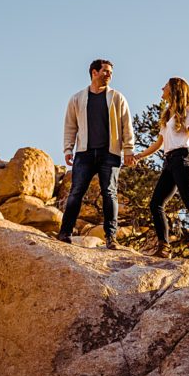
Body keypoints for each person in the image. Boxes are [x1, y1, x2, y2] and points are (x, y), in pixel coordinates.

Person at [126, 77, 189, 259]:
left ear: (173, 89)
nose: (162, 88)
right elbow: (159, 143)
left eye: (165, 86)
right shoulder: (168, 114)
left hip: (183, 158)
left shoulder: (187, 111)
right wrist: (139, 156)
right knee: (156, 203)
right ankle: (164, 247)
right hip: (169, 162)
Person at [57, 59, 135, 249]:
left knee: (110, 193)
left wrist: (129, 150)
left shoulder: (117, 98)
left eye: (110, 72)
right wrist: (68, 149)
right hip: (84, 153)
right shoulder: (77, 99)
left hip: (110, 154)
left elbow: (127, 125)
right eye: (106, 71)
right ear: (94, 72)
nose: (109, 75)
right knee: (76, 192)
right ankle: (64, 233)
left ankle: (111, 238)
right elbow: (70, 126)